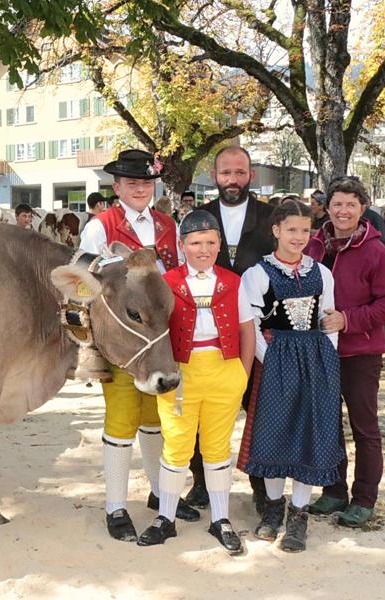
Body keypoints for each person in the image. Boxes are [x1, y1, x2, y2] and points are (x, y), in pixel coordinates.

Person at [78, 148, 187, 542]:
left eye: (146, 182)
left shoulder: (167, 224)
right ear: (117, 186)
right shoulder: (99, 226)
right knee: (122, 418)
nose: (140, 189)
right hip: (125, 342)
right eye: (131, 183)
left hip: (161, 335)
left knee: (156, 417)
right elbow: (85, 283)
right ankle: (116, 506)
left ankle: (159, 493)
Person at [136, 210, 255, 554]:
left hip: (223, 368)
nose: (203, 249)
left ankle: (221, 518)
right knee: (176, 445)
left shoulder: (234, 282)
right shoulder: (167, 282)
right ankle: (166, 518)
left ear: (219, 245)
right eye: (195, 242)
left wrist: (241, 375)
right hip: (182, 373)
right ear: (182, 245)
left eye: (210, 242)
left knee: (217, 447)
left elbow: (247, 329)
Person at [238, 200, 343, 553]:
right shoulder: (258, 274)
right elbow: (250, 324)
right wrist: (270, 361)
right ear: (276, 230)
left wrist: (327, 355)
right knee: (274, 434)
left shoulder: (321, 272)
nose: (299, 237)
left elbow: (328, 319)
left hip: (315, 361)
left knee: (309, 436)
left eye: (305, 230)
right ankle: (273, 509)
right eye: (292, 229)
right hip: (275, 361)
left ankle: (299, 515)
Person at [305, 176, 385, 528]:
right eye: (337, 204)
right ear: (327, 207)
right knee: (327, 426)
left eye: (351, 204)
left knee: (364, 428)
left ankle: (364, 498)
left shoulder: (376, 251)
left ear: (363, 209)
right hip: (319, 351)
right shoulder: (314, 245)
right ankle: (334, 490)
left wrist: (348, 320)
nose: (343, 211)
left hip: (360, 354)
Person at [194, 145, 275, 514]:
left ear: (250, 176)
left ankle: (261, 485)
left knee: (258, 412)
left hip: (257, 331)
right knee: (202, 413)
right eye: (226, 173)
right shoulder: (198, 217)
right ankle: (201, 485)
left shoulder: (271, 218)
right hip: (207, 331)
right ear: (215, 176)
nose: (232, 180)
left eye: (240, 173)